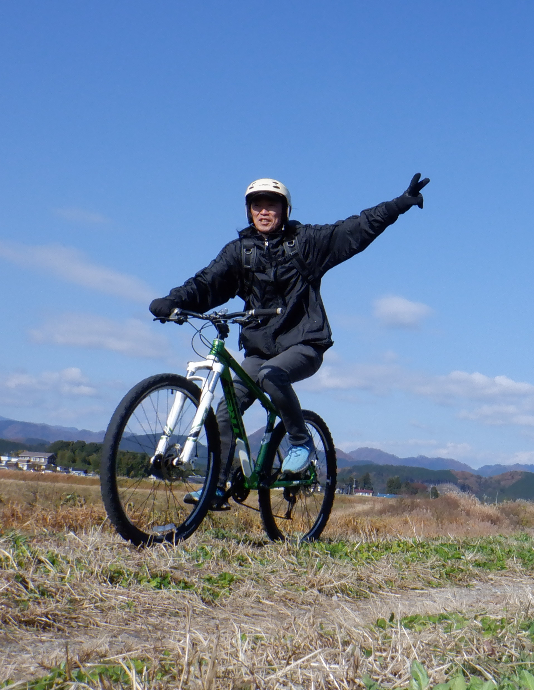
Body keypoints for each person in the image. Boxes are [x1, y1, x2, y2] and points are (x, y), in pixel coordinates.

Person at [148, 173, 429, 507]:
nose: (264, 212)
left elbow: (354, 229)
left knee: (271, 375)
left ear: (284, 209)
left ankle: (300, 441)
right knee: (227, 408)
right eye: (257, 206)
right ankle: (218, 486)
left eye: (272, 206)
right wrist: (174, 300)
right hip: (259, 350)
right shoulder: (240, 252)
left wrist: (398, 205)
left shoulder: (305, 243)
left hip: (304, 344)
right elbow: (207, 282)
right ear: (249, 211)